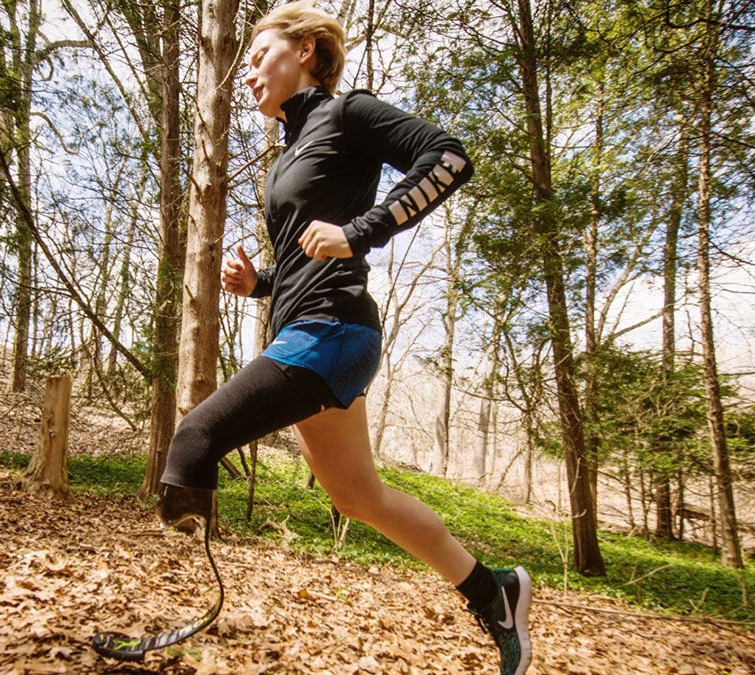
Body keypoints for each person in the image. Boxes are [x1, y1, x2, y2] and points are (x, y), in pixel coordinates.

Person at [156, 2, 532, 672]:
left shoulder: (346, 113)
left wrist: (361, 231)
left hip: (333, 329)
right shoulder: (285, 157)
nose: (247, 76)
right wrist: (261, 284)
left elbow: (449, 158)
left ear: (304, 50)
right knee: (358, 497)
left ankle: (147, 612)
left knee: (194, 440)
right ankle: (492, 589)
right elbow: (309, 253)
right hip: (309, 323)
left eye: (258, 57)